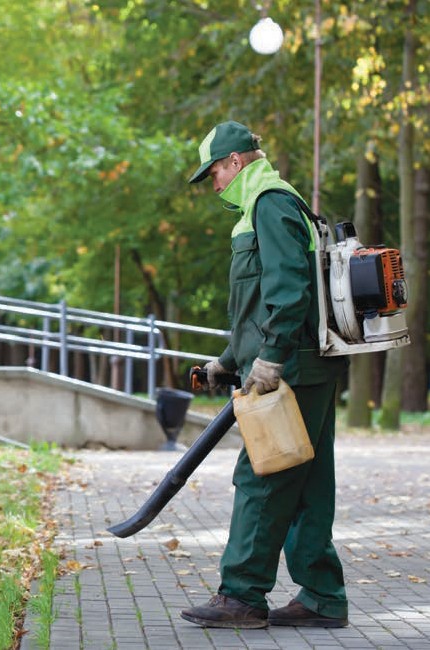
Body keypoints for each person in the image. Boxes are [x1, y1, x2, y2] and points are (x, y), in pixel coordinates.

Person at [180, 120, 349, 629]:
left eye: (213, 173)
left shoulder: (269, 203)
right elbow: (256, 306)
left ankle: (242, 597)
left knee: (262, 477)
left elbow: (289, 286)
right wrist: (226, 363)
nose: (214, 185)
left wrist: (271, 358)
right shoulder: (267, 205)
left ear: (234, 162)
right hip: (303, 363)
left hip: (292, 365)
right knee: (308, 483)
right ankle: (322, 597)